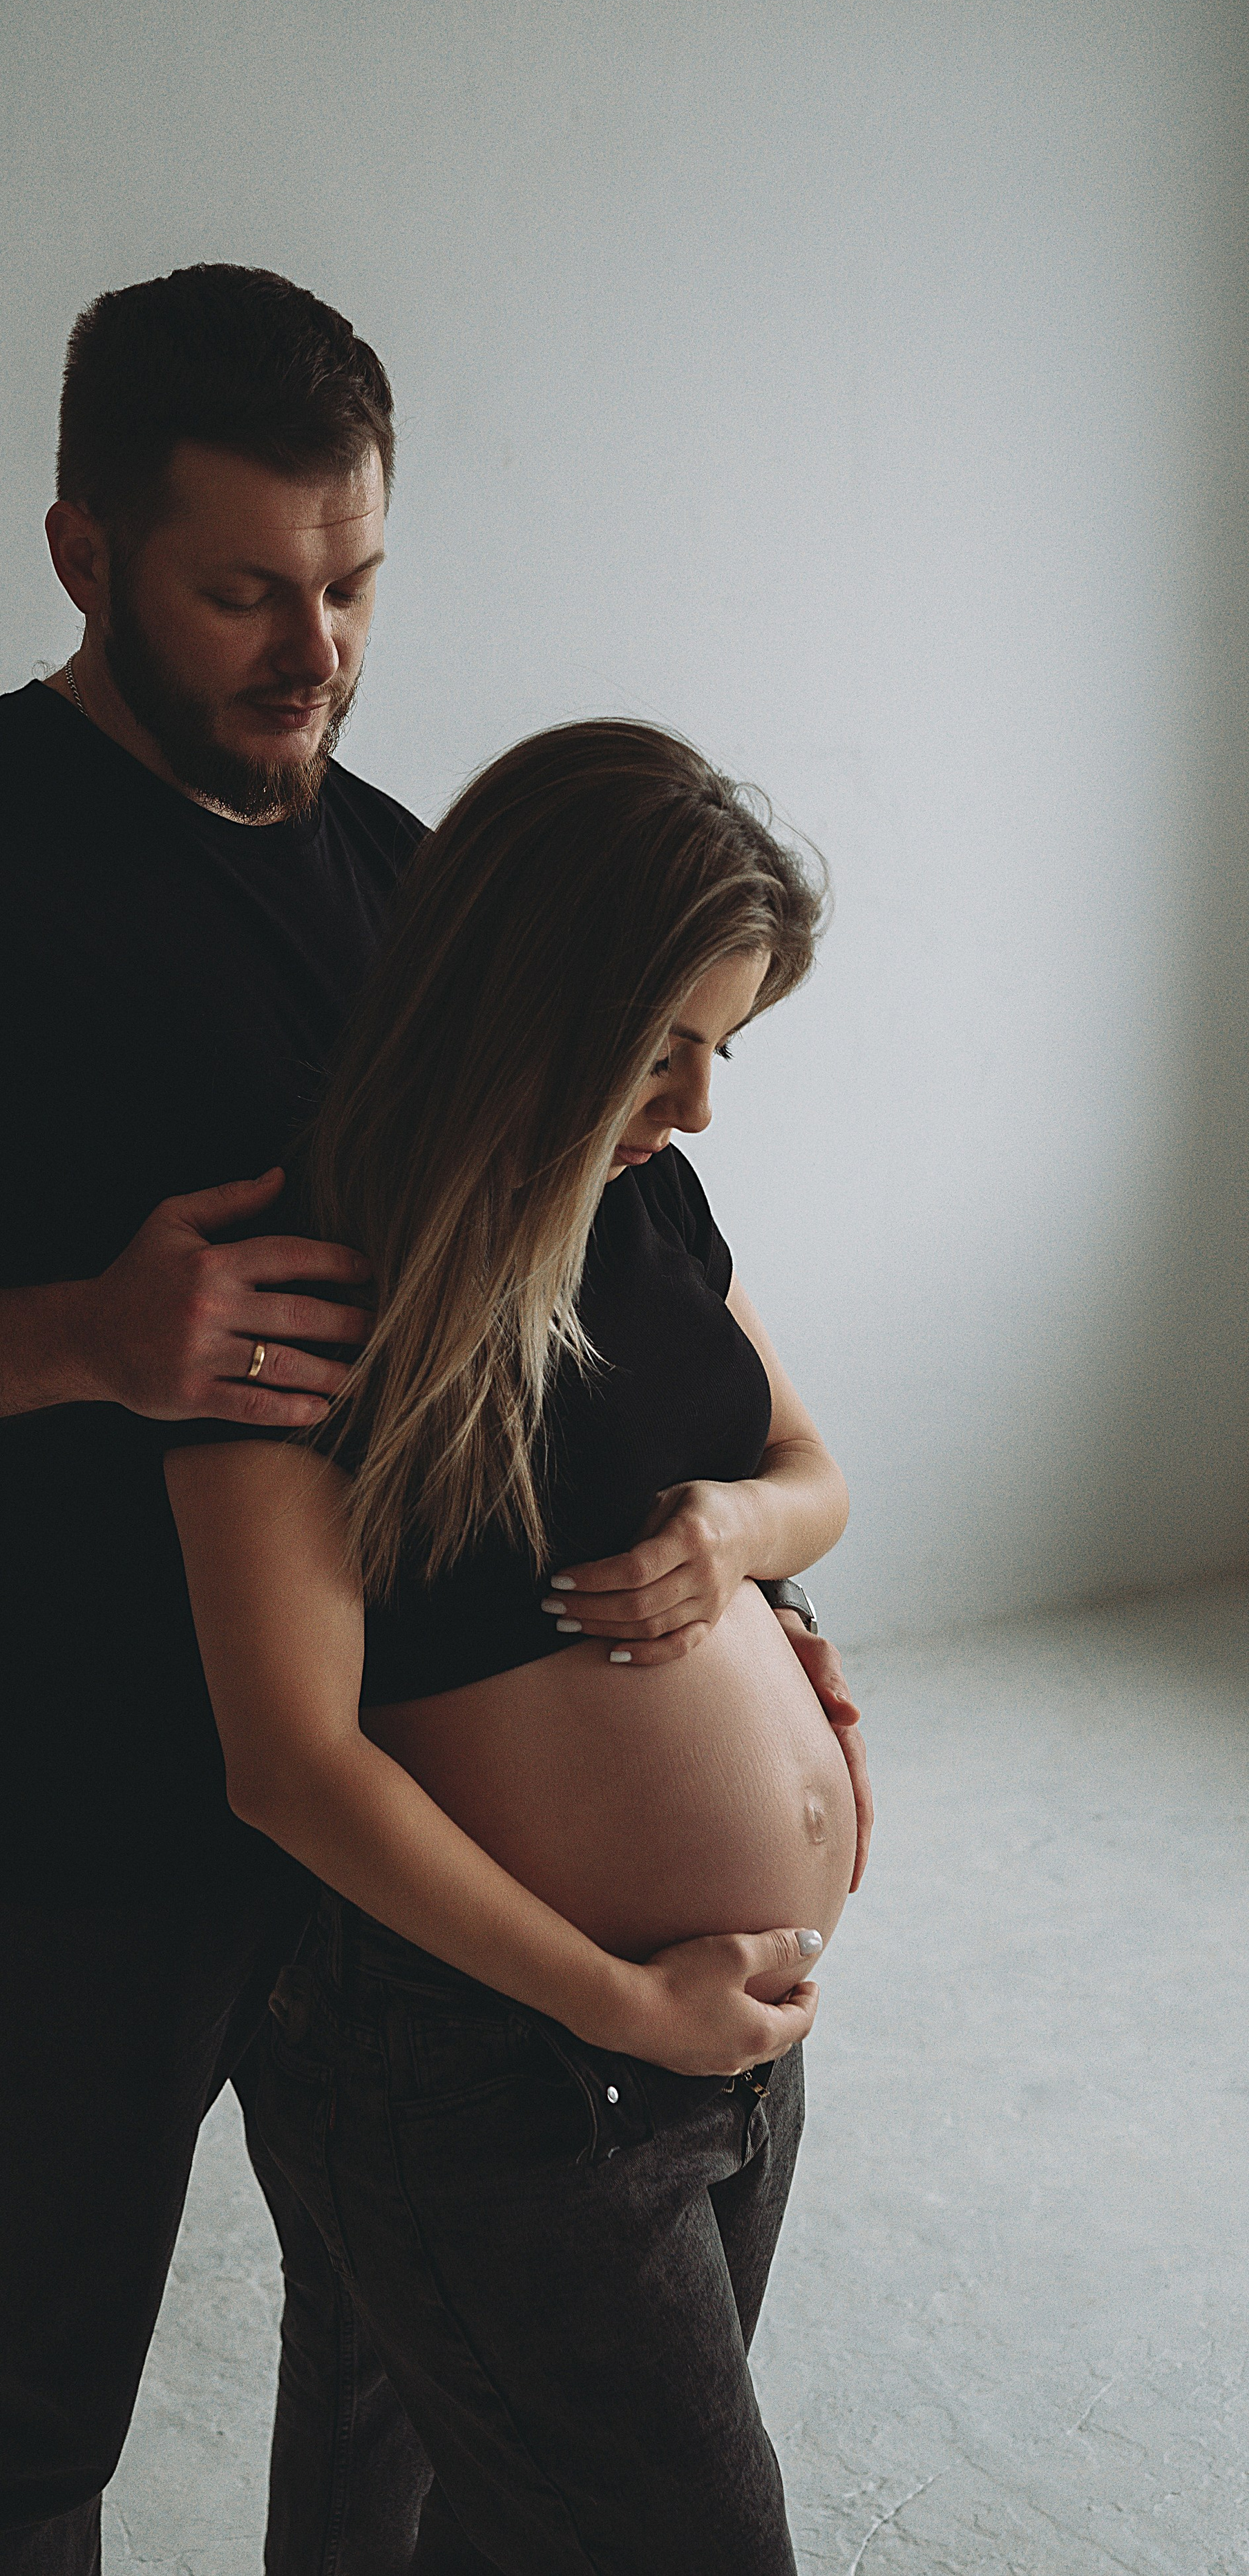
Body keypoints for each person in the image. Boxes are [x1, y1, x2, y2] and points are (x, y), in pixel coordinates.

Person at [0, 263, 866, 2572]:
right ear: (85, 552)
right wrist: (91, 1335)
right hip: (71, 1811)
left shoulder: (411, 884)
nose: (319, 652)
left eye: (359, 582)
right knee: (29, 2403)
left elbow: (571, 1304)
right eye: (245, 592)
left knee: (397, 2400)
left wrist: (723, 1587)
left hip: (400, 1830)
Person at [162, 719, 866, 2573]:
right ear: (535, 991)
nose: (700, 1102)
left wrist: (738, 1556)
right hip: (509, 2064)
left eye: (726, 1046)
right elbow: (289, 1760)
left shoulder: (644, 1201)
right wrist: (624, 2003)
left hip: (730, 2038)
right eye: (664, 1044)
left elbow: (809, 1473)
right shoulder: (312, 1280)